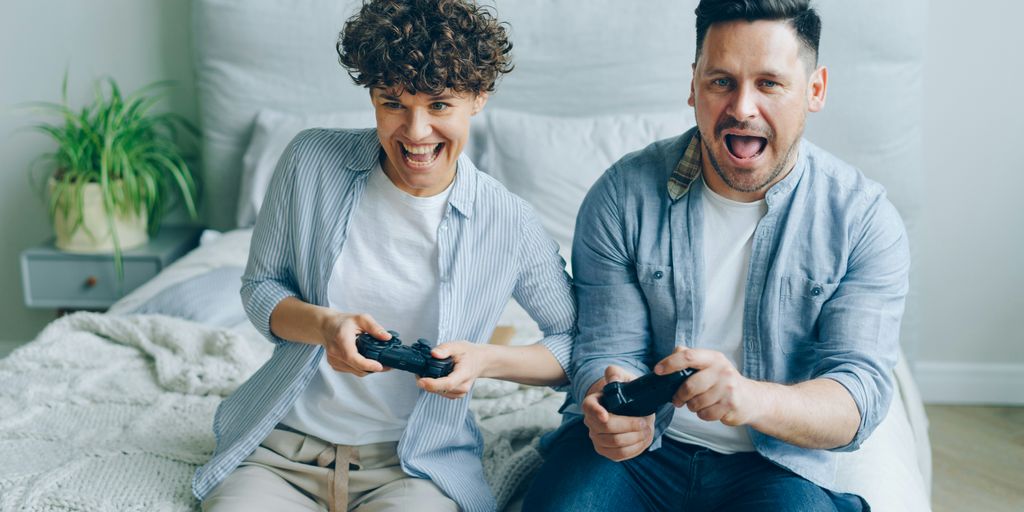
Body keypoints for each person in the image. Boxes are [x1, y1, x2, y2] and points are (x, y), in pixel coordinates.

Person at [523, 0, 910, 510]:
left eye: (769, 83)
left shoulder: (864, 220)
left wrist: (749, 398)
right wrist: (608, 400)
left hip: (773, 465)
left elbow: (858, 397)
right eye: (721, 81)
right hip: (637, 457)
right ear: (694, 84)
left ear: (814, 90)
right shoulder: (621, 195)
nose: (743, 107)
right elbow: (606, 345)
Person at [192, 1, 576, 511]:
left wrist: (485, 361)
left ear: (479, 97)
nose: (415, 133)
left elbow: (577, 345)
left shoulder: (510, 223)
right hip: (279, 453)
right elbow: (262, 287)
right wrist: (326, 326)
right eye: (392, 102)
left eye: (439, 105)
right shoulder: (309, 162)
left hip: (415, 467)